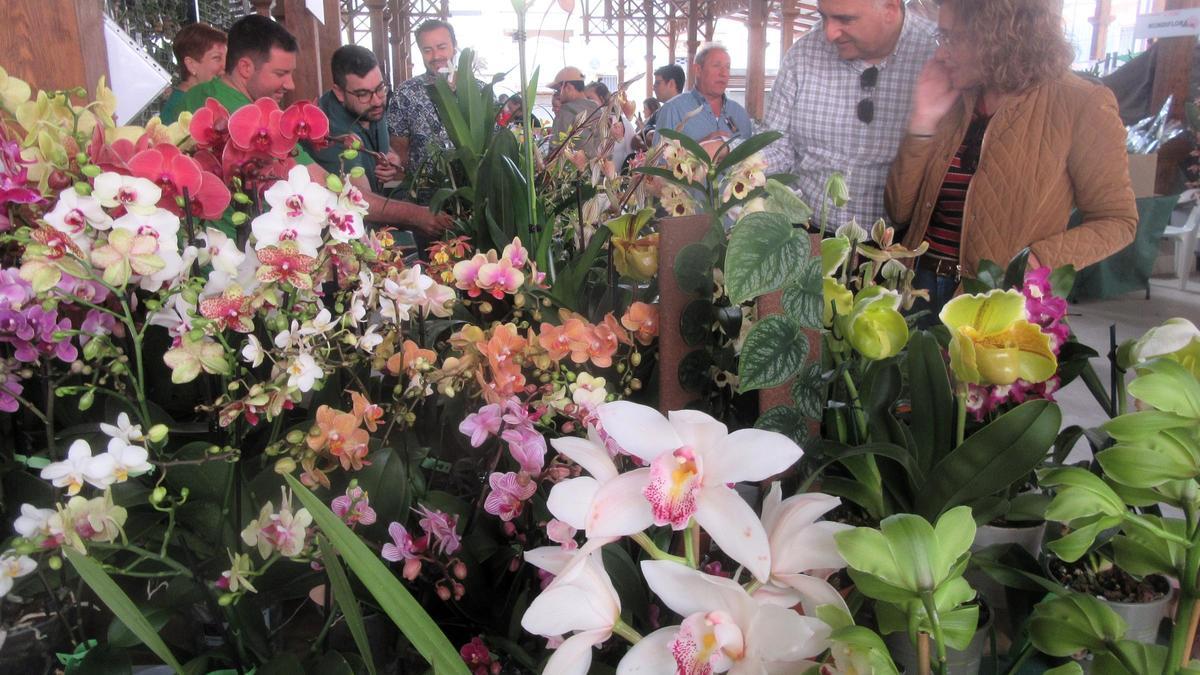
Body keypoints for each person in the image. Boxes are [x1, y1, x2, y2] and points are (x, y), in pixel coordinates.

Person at [886, 0, 1136, 318]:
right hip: (914, 288)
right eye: (941, 37)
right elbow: (899, 211)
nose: (940, 53)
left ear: (999, 36)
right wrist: (922, 122)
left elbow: (1118, 221)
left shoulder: (1080, 103)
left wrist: (1035, 260)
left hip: (997, 304)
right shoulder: (952, 96)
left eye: (953, 38)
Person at [183, 14, 451, 238]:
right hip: (237, 249)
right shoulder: (262, 121)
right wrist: (417, 215)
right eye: (280, 73)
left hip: (200, 242)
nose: (290, 85)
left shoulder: (194, 97)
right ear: (245, 67)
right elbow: (328, 185)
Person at [761, 0, 936, 229]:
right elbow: (777, 145)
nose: (829, 33)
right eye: (824, 17)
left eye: (845, 19)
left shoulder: (936, 54)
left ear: (890, 11)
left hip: (894, 245)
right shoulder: (804, 54)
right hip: (806, 233)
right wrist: (738, 160)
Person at [304, 45, 401, 196]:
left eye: (380, 88)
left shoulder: (370, 108)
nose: (376, 101)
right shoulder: (328, 130)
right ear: (340, 93)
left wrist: (392, 158)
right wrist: (423, 215)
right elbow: (363, 200)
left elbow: (381, 144)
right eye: (363, 94)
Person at [386, 19, 457, 179]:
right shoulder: (405, 93)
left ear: (454, 46)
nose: (436, 56)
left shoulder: (479, 91)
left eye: (442, 47)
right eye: (427, 50)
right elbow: (399, 155)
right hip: (422, 196)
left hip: (473, 196)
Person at [653, 43, 752, 150]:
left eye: (727, 67)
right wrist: (699, 148)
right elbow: (657, 162)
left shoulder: (739, 113)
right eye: (716, 66)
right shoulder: (673, 110)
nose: (723, 73)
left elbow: (753, 158)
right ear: (698, 70)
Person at [160, 23, 226, 124]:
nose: (226, 65)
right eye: (217, 58)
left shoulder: (191, 99)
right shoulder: (184, 108)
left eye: (227, 58)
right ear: (191, 65)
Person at [548, 67, 598, 151]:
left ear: (568, 87)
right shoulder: (596, 108)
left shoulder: (565, 112)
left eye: (558, 90)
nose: (558, 94)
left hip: (571, 163)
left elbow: (554, 151)